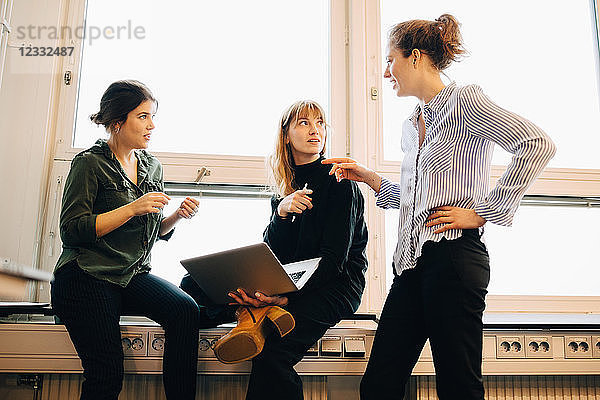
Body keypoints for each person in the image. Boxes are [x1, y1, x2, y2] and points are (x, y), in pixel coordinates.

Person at [324, 14, 556, 400]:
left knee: (457, 386)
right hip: (412, 267)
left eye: (390, 60)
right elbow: (420, 201)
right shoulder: (412, 123)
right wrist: (371, 179)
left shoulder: (464, 101)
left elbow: (536, 144)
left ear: (415, 57)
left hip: (454, 260)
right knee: (378, 384)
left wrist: (486, 210)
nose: (385, 72)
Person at [180, 100, 369, 399]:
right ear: (285, 135)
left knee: (271, 356)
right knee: (191, 286)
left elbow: (334, 261)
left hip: (335, 285)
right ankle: (251, 311)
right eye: (304, 123)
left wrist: (285, 297)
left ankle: (257, 313)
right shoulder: (284, 190)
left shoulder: (339, 183)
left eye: (320, 123)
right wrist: (280, 213)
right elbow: (273, 254)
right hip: (291, 278)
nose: (315, 130)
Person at [51, 80, 202, 400]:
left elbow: (151, 230)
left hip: (129, 275)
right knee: (105, 375)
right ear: (117, 122)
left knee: (185, 309)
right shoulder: (89, 164)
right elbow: (73, 229)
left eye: (152, 117)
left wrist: (175, 217)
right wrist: (132, 208)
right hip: (86, 276)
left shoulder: (151, 166)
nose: (152, 125)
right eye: (143, 116)